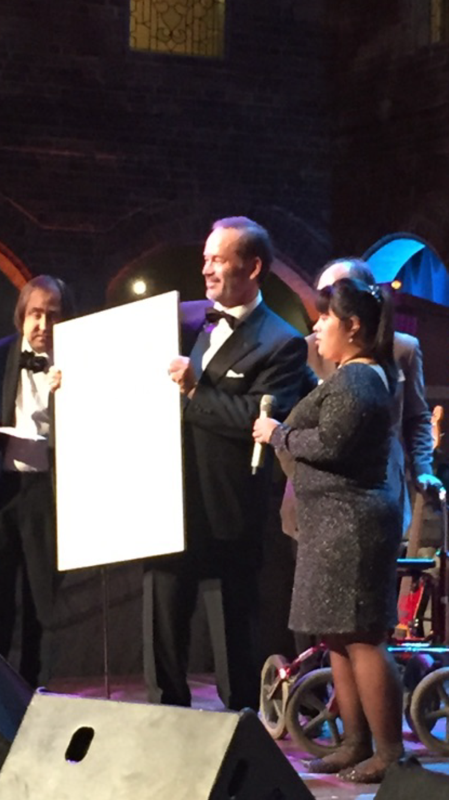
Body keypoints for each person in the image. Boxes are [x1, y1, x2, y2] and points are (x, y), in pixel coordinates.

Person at [142, 216, 316, 711]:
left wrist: (196, 390)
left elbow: (257, 419)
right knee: (162, 618)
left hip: (229, 509)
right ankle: (164, 721)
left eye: (218, 259)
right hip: (169, 501)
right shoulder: (182, 319)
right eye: (205, 258)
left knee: (232, 627)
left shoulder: (282, 341)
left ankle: (238, 724)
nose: (206, 269)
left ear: (253, 267)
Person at [254, 277, 404, 783]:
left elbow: (331, 444)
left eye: (325, 318)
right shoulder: (347, 376)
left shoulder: (359, 379)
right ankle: (354, 742)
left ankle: (388, 753)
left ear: (353, 326)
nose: (316, 328)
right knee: (337, 637)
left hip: (352, 525)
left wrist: (279, 434)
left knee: (361, 637)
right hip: (332, 524)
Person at [280, 258, 440, 540]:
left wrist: (422, 470)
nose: (325, 305)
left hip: (376, 494)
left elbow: (416, 417)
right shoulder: (306, 349)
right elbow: (293, 425)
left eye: (336, 294)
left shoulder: (403, 349)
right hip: (312, 497)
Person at [0, 275, 74, 687]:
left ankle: (33, 691)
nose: (44, 325)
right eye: (36, 314)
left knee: (41, 602)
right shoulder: (2, 356)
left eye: (53, 315)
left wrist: (69, 396)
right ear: (22, 317)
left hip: (48, 494)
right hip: (5, 491)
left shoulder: (79, 363)